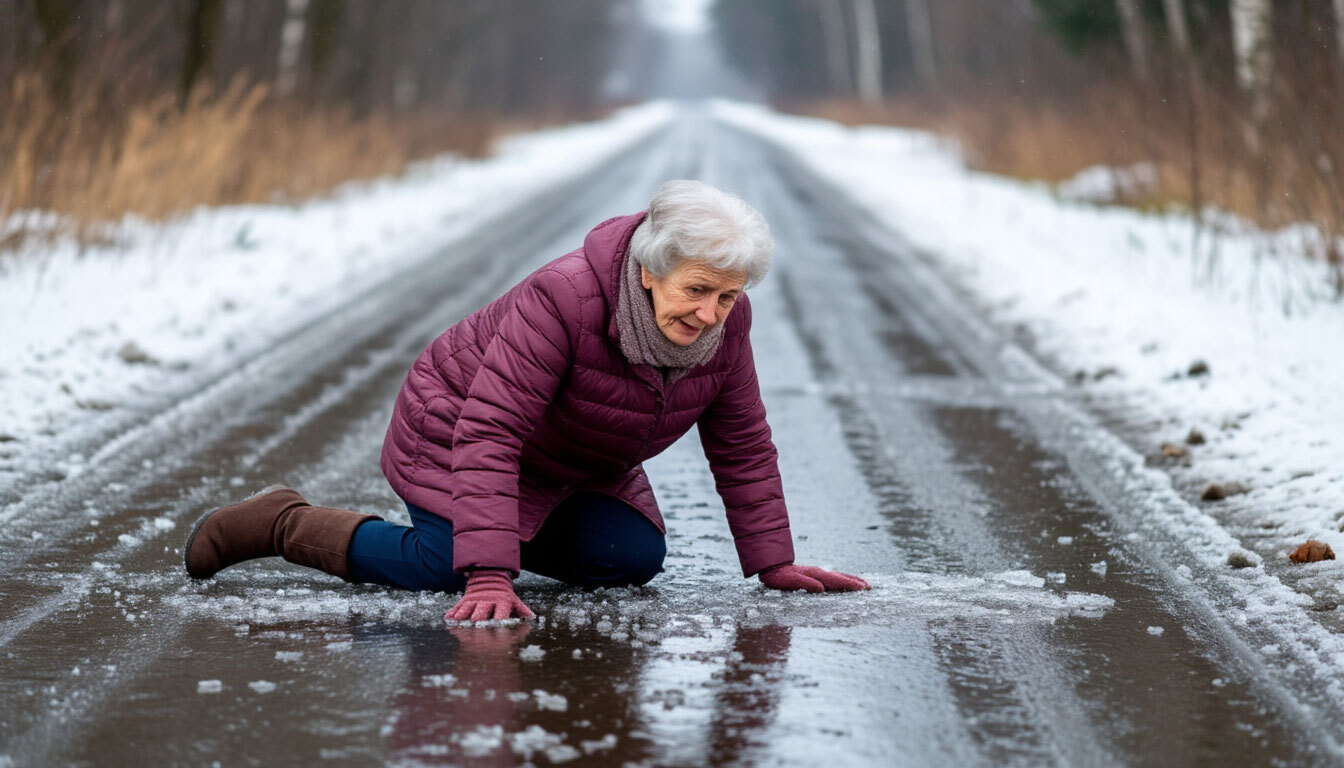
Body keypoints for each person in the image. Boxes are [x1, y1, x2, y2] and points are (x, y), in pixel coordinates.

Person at [184, 180, 870, 622]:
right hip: (455, 422)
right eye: (696, 290)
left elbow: (742, 442)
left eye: (728, 295)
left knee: (630, 560)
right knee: (443, 566)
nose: (711, 313)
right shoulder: (564, 298)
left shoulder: (727, 324)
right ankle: (282, 522)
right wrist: (486, 569)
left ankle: (497, 531)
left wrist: (772, 560)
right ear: (648, 270)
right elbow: (488, 430)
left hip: (569, 461)